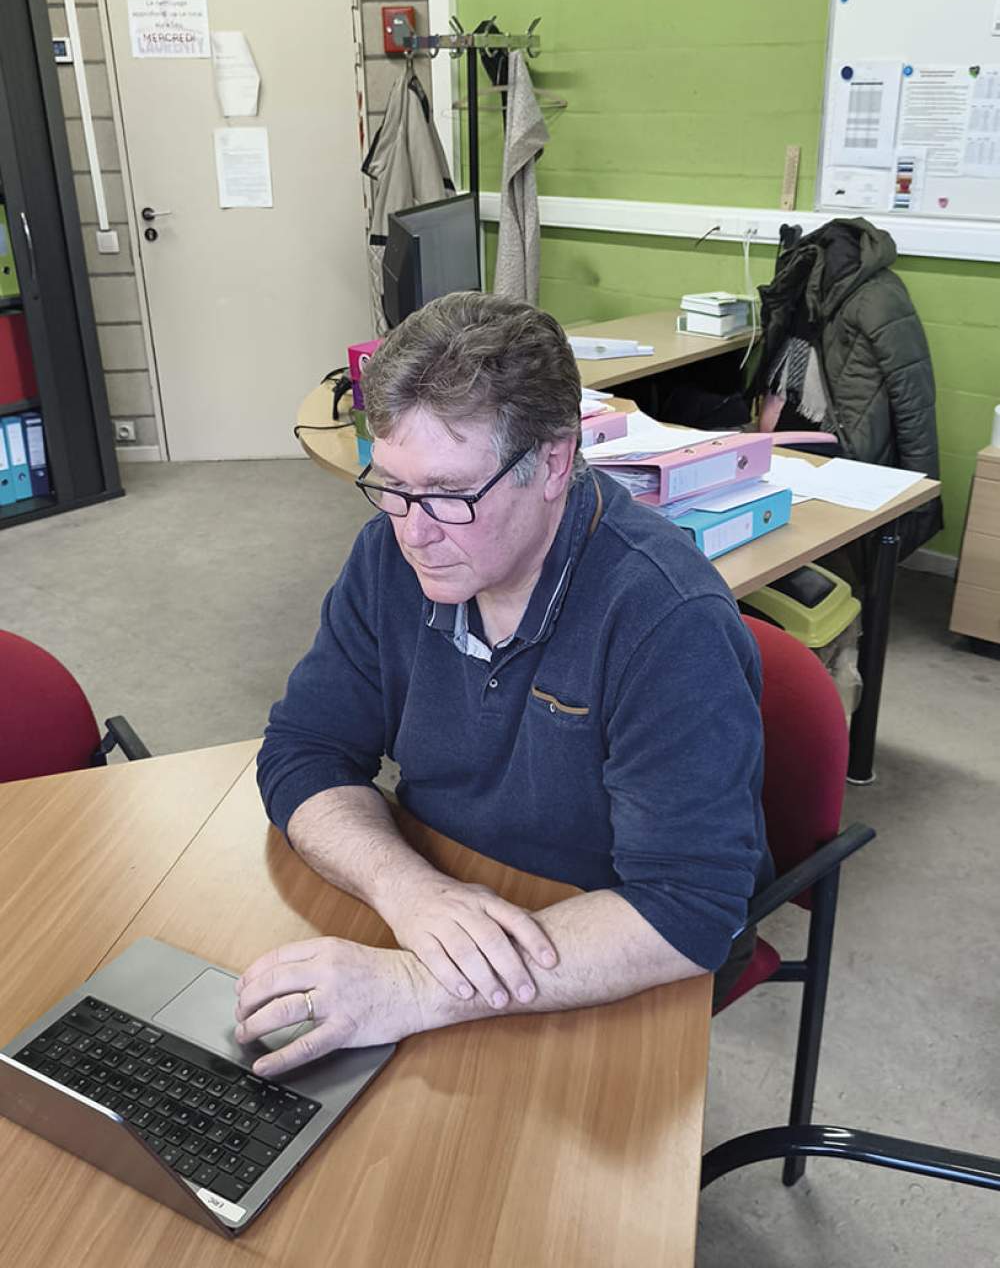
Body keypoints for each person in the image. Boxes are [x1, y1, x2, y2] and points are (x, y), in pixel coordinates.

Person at [238, 292, 772, 1076]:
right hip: (449, 892)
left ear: (553, 462)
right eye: (389, 485)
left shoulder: (668, 619)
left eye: (450, 495)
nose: (412, 531)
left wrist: (418, 985)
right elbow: (304, 751)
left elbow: (688, 908)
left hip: (603, 946)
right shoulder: (390, 555)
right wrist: (408, 892)